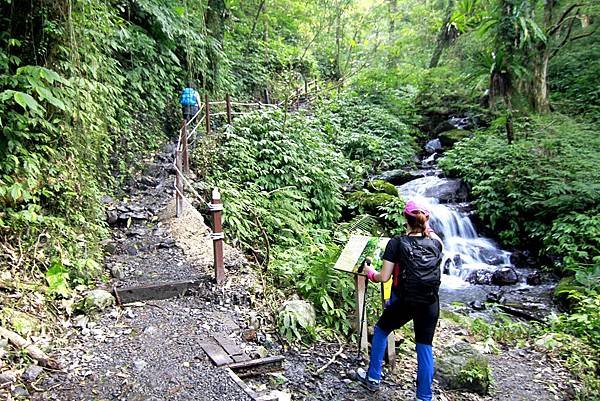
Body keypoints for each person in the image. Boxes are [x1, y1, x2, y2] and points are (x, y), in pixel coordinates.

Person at [355, 200, 444, 401]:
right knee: (425, 346)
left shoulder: (396, 243)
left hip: (406, 300)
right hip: (430, 302)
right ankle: (424, 397)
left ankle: (373, 378)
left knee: (381, 330)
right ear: (426, 219)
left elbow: (383, 277)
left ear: (405, 218)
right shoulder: (437, 242)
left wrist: (369, 272)